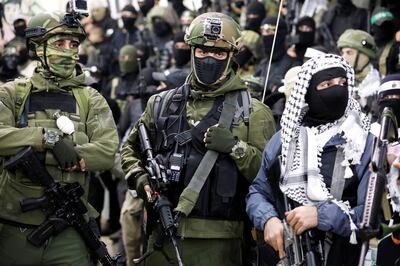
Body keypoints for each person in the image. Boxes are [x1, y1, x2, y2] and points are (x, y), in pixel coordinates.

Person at [121, 12, 275, 265]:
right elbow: (130, 149)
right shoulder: (161, 103)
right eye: (202, 52)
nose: (209, 59)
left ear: (231, 55)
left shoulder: (253, 112)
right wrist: (140, 178)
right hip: (162, 236)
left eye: (218, 53)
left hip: (221, 242)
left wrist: (236, 148)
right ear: (192, 52)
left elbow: (267, 178)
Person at [0, 12, 119, 265]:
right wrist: (49, 139)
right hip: (13, 229)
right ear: (37, 48)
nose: (68, 51)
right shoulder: (11, 94)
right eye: (59, 43)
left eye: (74, 44)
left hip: (69, 230)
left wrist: (52, 154)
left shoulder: (91, 99)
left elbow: (107, 152)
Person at [246, 53, 374, 266]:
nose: (337, 90)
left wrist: (321, 216)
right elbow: (258, 192)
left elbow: (371, 216)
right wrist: (267, 219)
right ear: (308, 92)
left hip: (346, 256)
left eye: (342, 83)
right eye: (326, 84)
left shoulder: (363, 141)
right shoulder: (283, 139)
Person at [374, 74, 400, 266]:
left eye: (397, 98)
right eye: (386, 98)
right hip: (382, 227)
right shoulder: (370, 135)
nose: (391, 104)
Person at [337, 29, 380, 119]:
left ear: (365, 55)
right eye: (342, 53)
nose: (343, 57)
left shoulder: (380, 87)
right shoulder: (337, 84)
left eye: (349, 52)